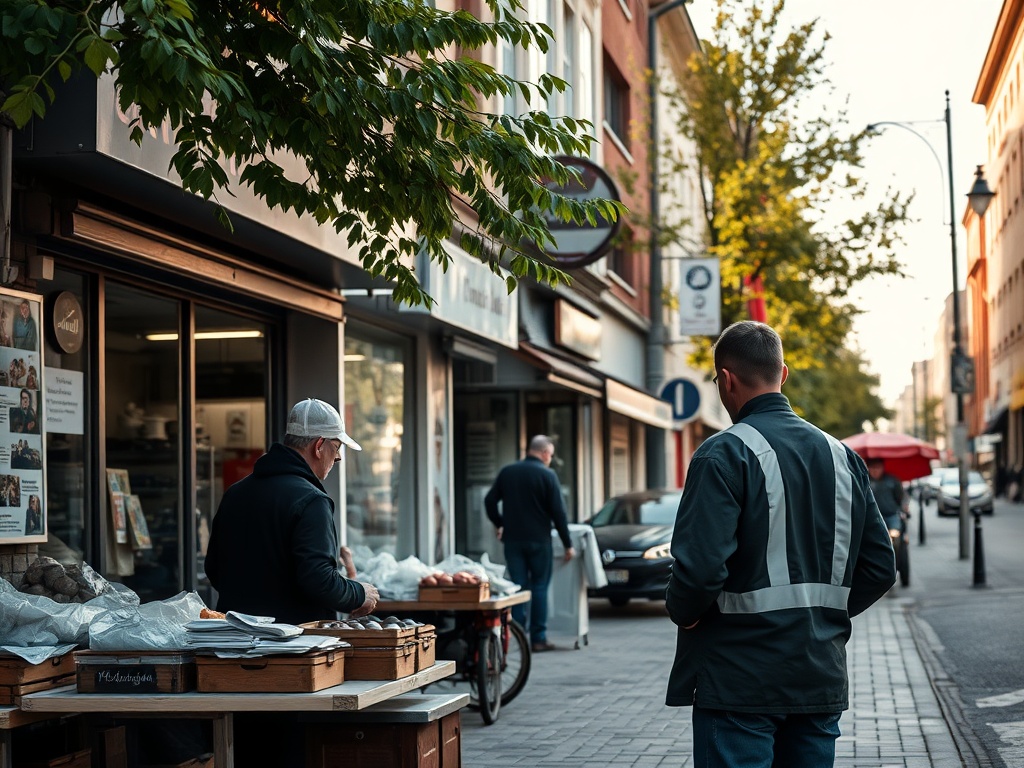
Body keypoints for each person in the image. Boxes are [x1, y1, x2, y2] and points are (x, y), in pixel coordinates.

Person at [665, 321, 896, 768]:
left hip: (740, 681)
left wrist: (685, 612)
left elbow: (699, 571)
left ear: (726, 379)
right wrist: (820, 615)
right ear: (783, 374)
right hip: (817, 674)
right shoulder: (842, 456)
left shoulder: (723, 453)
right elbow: (880, 568)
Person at [205, 397, 380, 624]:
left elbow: (214, 569)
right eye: (336, 447)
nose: (337, 457)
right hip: (294, 646)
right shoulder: (312, 500)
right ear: (319, 446)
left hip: (234, 639)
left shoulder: (235, 493)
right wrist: (359, 593)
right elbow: (319, 581)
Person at [485, 434, 576, 652]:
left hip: (513, 541)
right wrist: (567, 544)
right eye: (551, 455)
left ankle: (517, 635)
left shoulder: (508, 472)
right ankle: (538, 638)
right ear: (544, 453)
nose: (550, 459)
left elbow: (489, 501)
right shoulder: (548, 475)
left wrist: (500, 523)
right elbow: (559, 513)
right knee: (540, 587)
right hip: (539, 541)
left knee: (518, 587)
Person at [867, 458, 907, 531]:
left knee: (896, 533)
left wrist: (904, 507)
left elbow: (900, 496)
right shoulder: (865, 482)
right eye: (872, 468)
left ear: (882, 468)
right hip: (872, 518)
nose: (875, 470)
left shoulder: (892, 480)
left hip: (891, 515)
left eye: (878, 467)